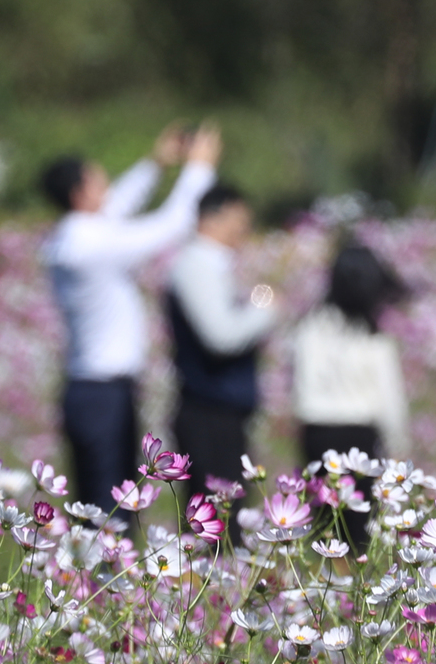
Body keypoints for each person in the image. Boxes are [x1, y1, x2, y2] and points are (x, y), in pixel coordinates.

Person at [39, 123, 220, 516]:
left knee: (100, 501)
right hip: (104, 394)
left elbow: (116, 205)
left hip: (90, 390)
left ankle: (92, 573)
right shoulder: (92, 245)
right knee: (108, 506)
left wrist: (156, 164)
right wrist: (199, 170)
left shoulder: (68, 239)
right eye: (97, 179)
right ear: (80, 192)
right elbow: (171, 225)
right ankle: (101, 575)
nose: (106, 183)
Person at [166, 183, 277, 534]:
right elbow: (220, 336)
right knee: (216, 523)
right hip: (209, 407)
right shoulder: (197, 265)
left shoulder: (210, 265)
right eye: (239, 219)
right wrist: (265, 309)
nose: (244, 228)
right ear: (214, 217)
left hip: (218, 406)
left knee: (221, 517)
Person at [292, 242, 410, 553]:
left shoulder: (310, 326)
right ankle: (350, 595)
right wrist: (398, 449)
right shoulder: (373, 337)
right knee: (357, 533)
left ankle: (326, 592)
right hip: (359, 435)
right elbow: (390, 401)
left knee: (325, 527)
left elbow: (301, 386)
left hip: (317, 433)